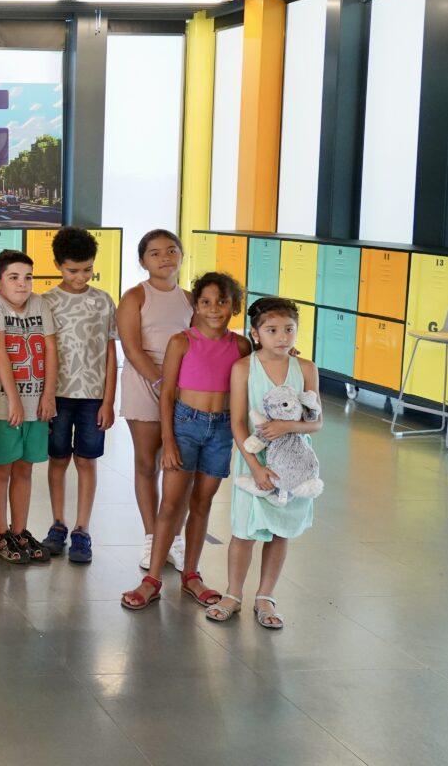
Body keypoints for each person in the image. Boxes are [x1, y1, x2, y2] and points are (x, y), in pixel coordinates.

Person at [122, 272, 250, 612]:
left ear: (235, 306)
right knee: (171, 504)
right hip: (185, 426)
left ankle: (191, 574)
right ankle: (152, 579)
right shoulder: (181, 342)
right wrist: (168, 440)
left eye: (222, 302)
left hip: (221, 430)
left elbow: (259, 375)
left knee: (202, 504)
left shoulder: (241, 346)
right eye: (205, 302)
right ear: (196, 306)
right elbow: (166, 394)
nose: (213, 309)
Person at [207, 297, 321, 629]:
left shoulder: (306, 369)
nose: (282, 337)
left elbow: (316, 422)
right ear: (255, 334)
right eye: (272, 330)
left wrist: (287, 426)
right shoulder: (244, 368)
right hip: (254, 461)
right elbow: (237, 423)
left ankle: (266, 596)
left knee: (280, 532)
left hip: (293, 465)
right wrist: (255, 468)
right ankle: (233, 594)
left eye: (289, 329)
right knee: (244, 531)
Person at [116, 229, 194, 572]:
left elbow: (203, 343)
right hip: (145, 383)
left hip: (184, 388)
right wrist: (162, 383)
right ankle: (152, 537)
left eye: (172, 250)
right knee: (148, 463)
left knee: (180, 466)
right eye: (156, 253)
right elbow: (131, 348)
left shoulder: (191, 300)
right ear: (142, 261)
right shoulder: (135, 296)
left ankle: (173, 538)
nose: (165, 257)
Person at [41, 227, 118, 564]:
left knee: (87, 460)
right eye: (73, 270)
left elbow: (111, 353)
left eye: (87, 270)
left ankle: (82, 529)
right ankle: (58, 523)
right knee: (58, 459)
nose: (80, 277)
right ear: (58, 265)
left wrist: (109, 401)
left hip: (92, 397)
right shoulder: (46, 302)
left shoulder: (103, 301)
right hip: (56, 396)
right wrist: (43, 398)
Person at [0, 250, 57, 565]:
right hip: (4, 407)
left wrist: (49, 394)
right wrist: (13, 399)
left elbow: (50, 349)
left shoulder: (40, 304)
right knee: (1, 468)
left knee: (25, 468)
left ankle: (19, 530)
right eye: (13, 277)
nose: (22, 284)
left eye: (28, 277)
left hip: (36, 404)